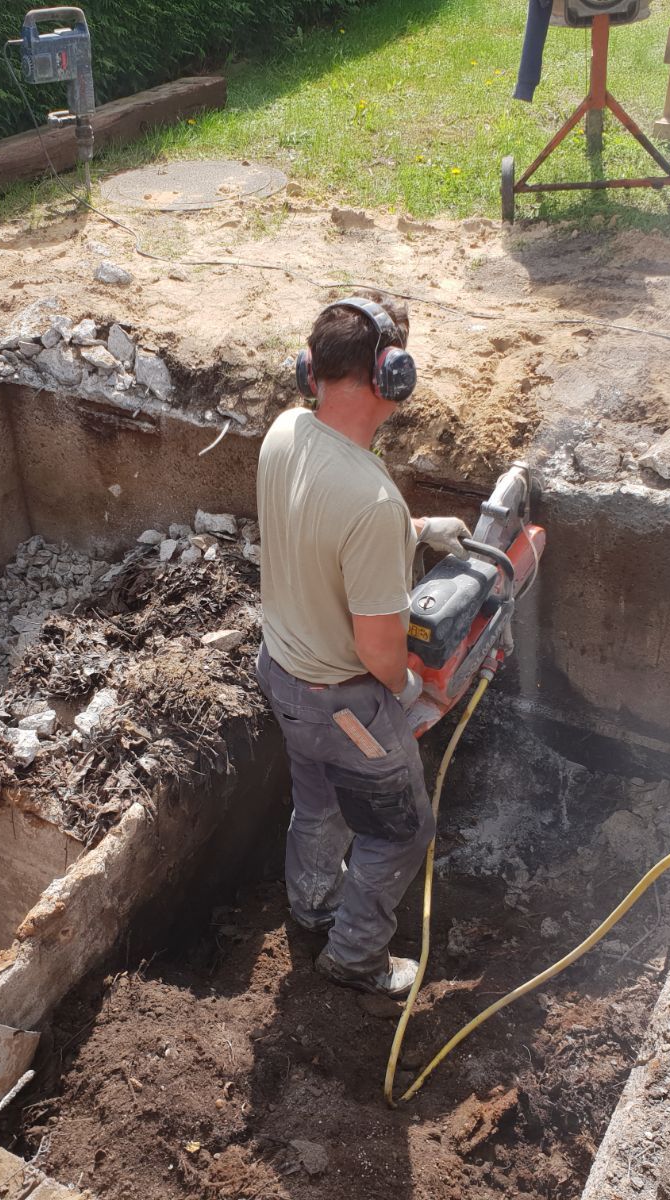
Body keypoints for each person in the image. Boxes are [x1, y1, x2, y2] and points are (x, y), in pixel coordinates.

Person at [254, 292, 471, 998]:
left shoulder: (286, 431)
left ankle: (312, 908)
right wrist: (412, 692)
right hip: (346, 703)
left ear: (309, 371)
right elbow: (382, 652)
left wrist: (416, 528)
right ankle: (354, 957)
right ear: (393, 376)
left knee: (318, 806)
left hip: (283, 673)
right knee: (401, 831)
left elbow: (323, 526)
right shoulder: (371, 504)